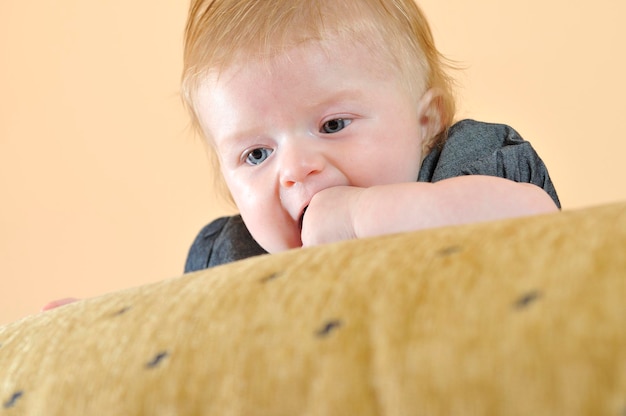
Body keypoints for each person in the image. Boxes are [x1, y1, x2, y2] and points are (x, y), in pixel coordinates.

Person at [182, 0, 560, 272]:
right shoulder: (227, 258)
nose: (295, 169)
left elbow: (534, 220)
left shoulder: (467, 165)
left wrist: (356, 215)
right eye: (257, 154)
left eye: (333, 125)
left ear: (426, 122)